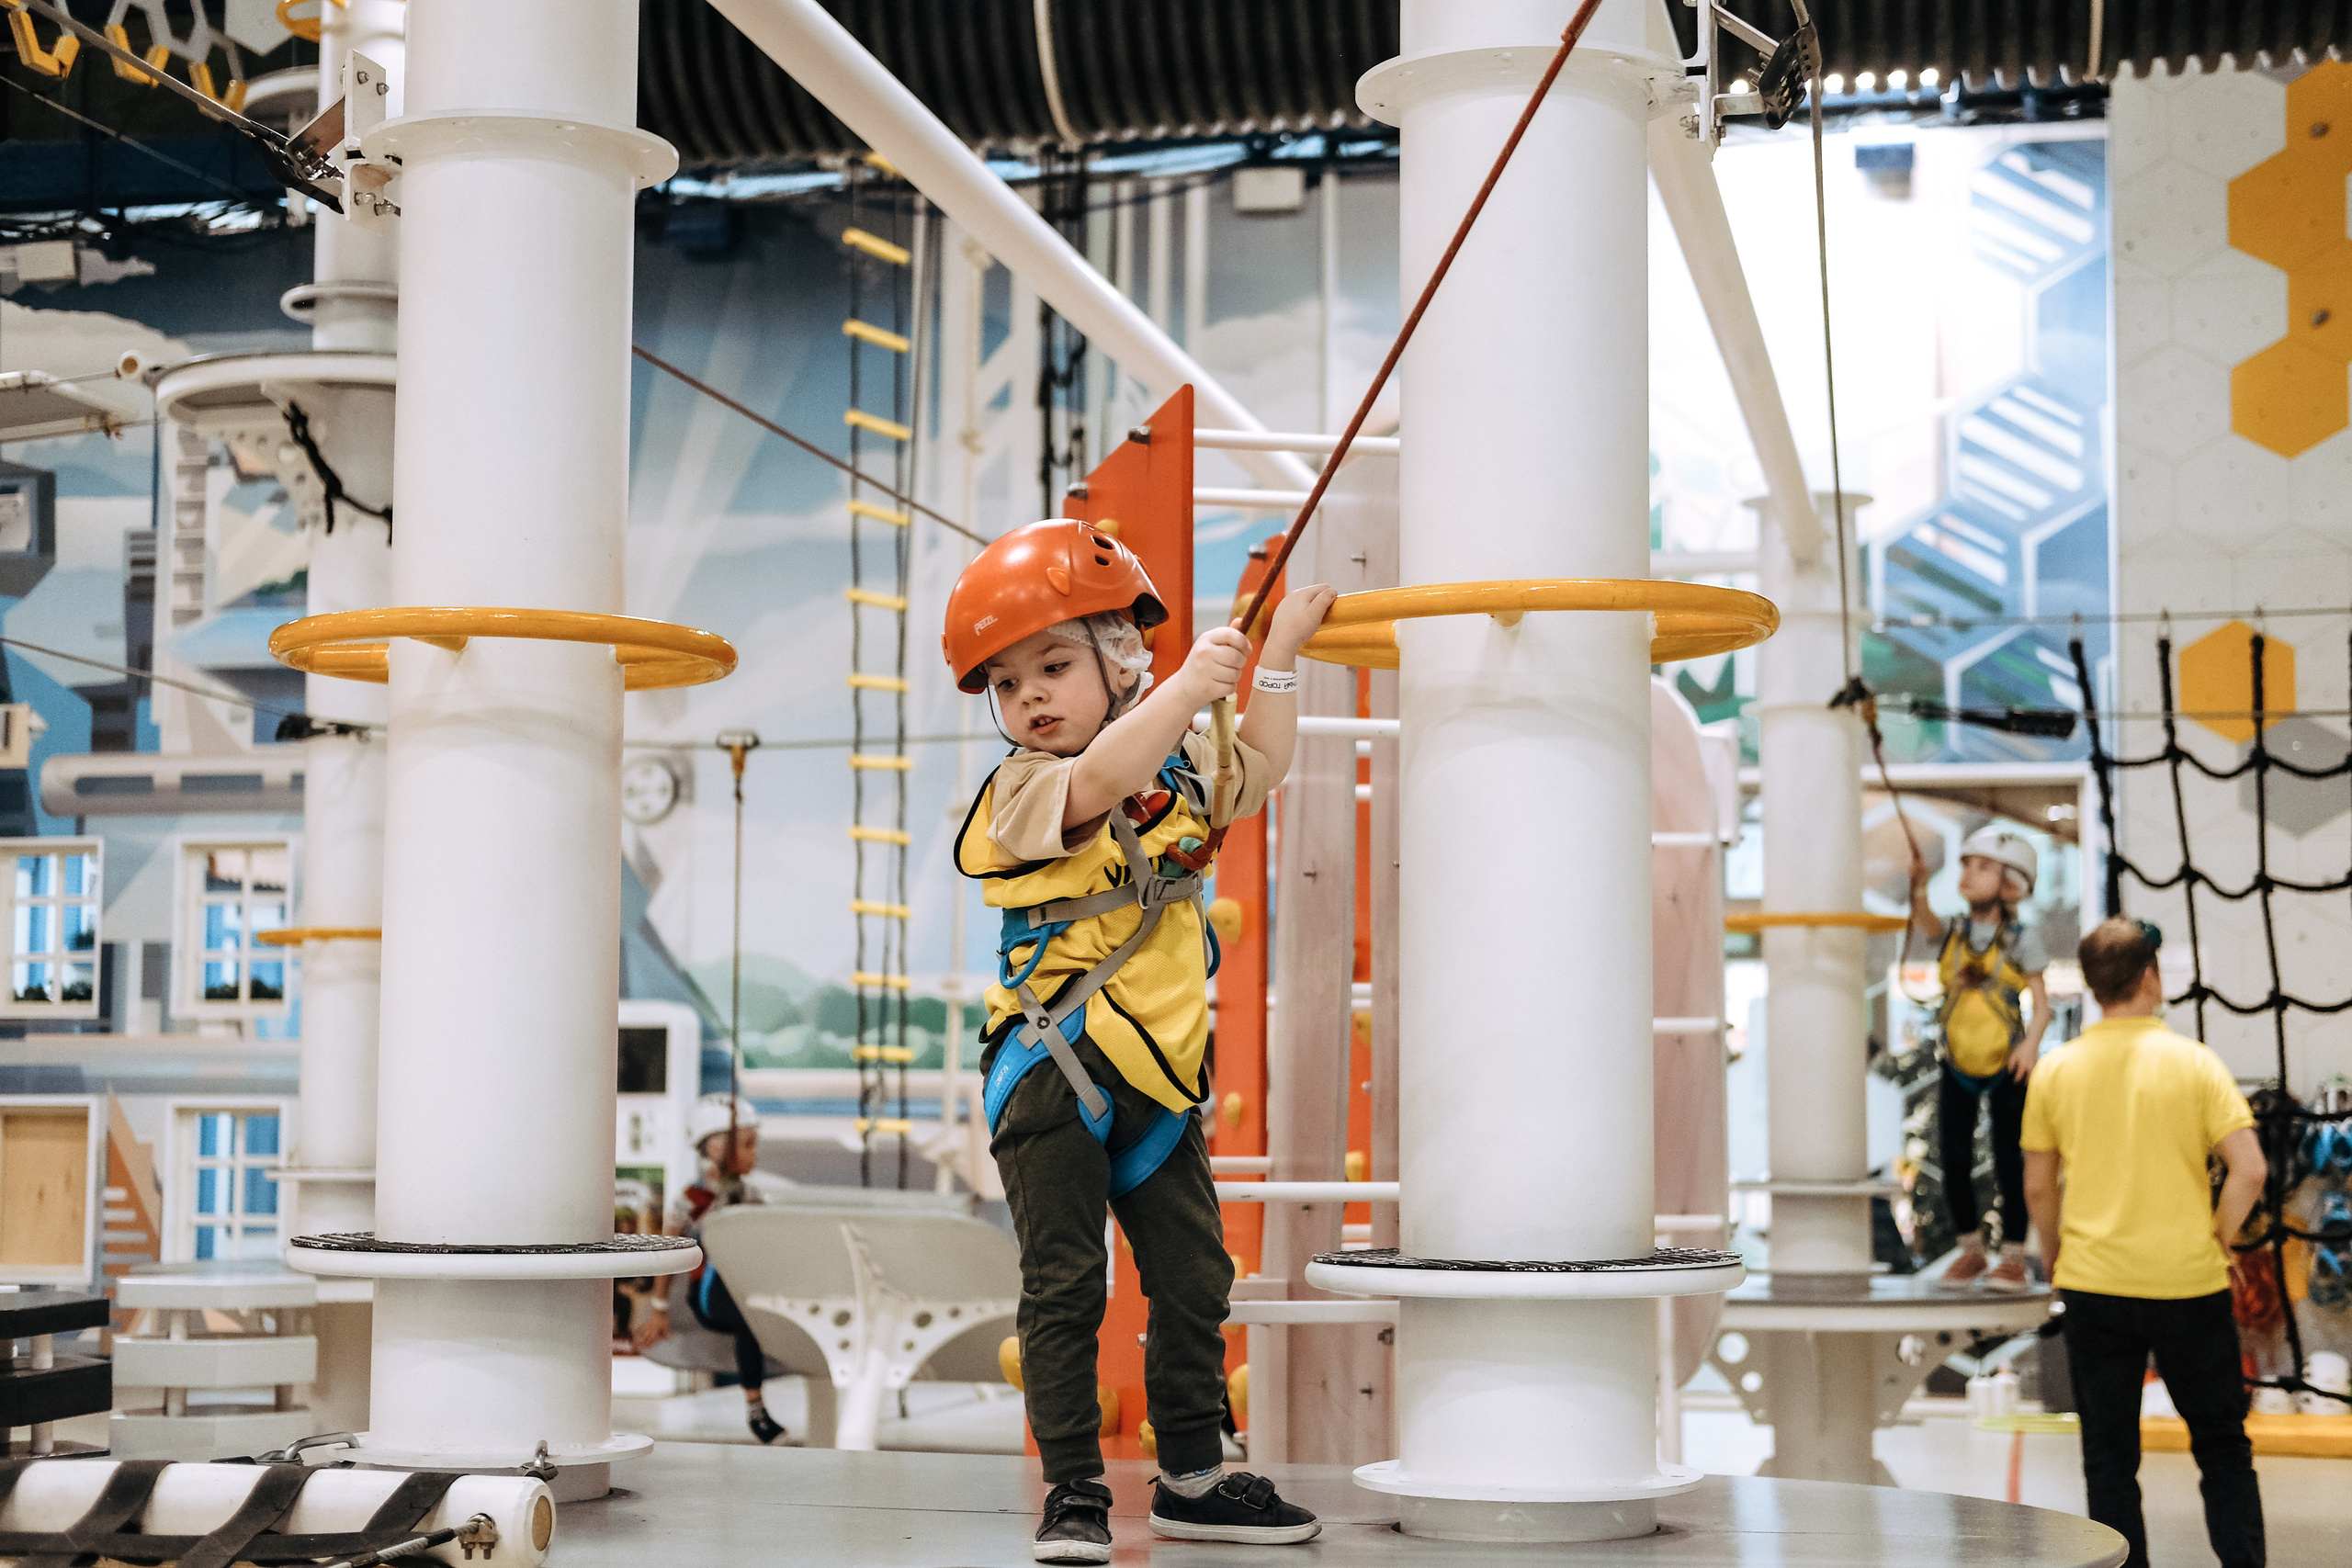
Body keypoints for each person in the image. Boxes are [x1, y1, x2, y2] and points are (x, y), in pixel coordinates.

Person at [946, 518, 1334, 1564]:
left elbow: (1254, 770)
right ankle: (1072, 1488)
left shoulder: (1185, 754)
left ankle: (1193, 1478)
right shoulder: (1024, 788)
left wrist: (1277, 661)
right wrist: (1182, 690)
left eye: (1056, 664)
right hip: (1051, 1064)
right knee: (1066, 1282)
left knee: (1195, 1276)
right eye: (1010, 682)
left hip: (1160, 1071)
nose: (1029, 696)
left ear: (1119, 658)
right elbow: (1104, 778)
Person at [2022, 917, 2267, 1568]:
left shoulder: (2056, 1069)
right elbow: (2250, 1169)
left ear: (2096, 985)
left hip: (2094, 1284)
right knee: (2221, 1445)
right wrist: (2216, 1239)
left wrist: (2055, 1257)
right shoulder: (2196, 1063)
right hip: (2188, 1282)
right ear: (2149, 976)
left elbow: (2040, 1186)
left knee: (2109, 1458)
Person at [1907, 826, 2053, 1290]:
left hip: (2007, 1065)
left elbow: (2043, 1004)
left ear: (2010, 881)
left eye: (1983, 867)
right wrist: (1918, 888)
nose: (1969, 874)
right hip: (1957, 1064)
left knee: (2012, 1162)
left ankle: (2011, 1256)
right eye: (1967, 864)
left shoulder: (2019, 940)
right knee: (1952, 1158)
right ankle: (1970, 1250)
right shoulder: (1952, 931)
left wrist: (2030, 1046)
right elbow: (1925, 921)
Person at [633, 1093, 789, 1444]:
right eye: (747, 1145)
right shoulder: (692, 1200)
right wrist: (659, 1309)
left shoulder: (750, 1195)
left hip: (741, 1285)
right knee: (751, 1320)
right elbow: (668, 1254)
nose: (755, 1154)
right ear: (718, 1150)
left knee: (756, 1313)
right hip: (709, 1296)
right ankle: (756, 1409)